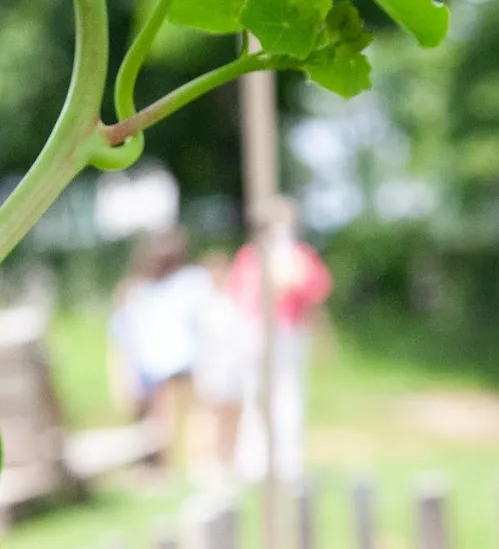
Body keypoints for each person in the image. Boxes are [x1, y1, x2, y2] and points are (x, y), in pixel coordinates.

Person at [228, 198, 332, 484]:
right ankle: (253, 462)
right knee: (256, 396)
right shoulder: (250, 257)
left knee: (287, 397)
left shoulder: (299, 256)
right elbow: (238, 299)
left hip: (287, 332)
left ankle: (288, 462)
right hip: (255, 332)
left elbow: (312, 295)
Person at [108, 228, 211, 473]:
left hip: (164, 362)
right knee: (176, 417)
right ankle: (179, 465)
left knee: (172, 417)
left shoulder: (147, 289)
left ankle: (180, 465)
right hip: (172, 361)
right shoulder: (185, 283)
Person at [191, 251, 251, 478]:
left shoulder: (235, 302)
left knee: (233, 415)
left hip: (234, 368)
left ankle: (229, 461)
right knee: (212, 416)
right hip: (212, 368)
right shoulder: (203, 304)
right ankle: (209, 463)